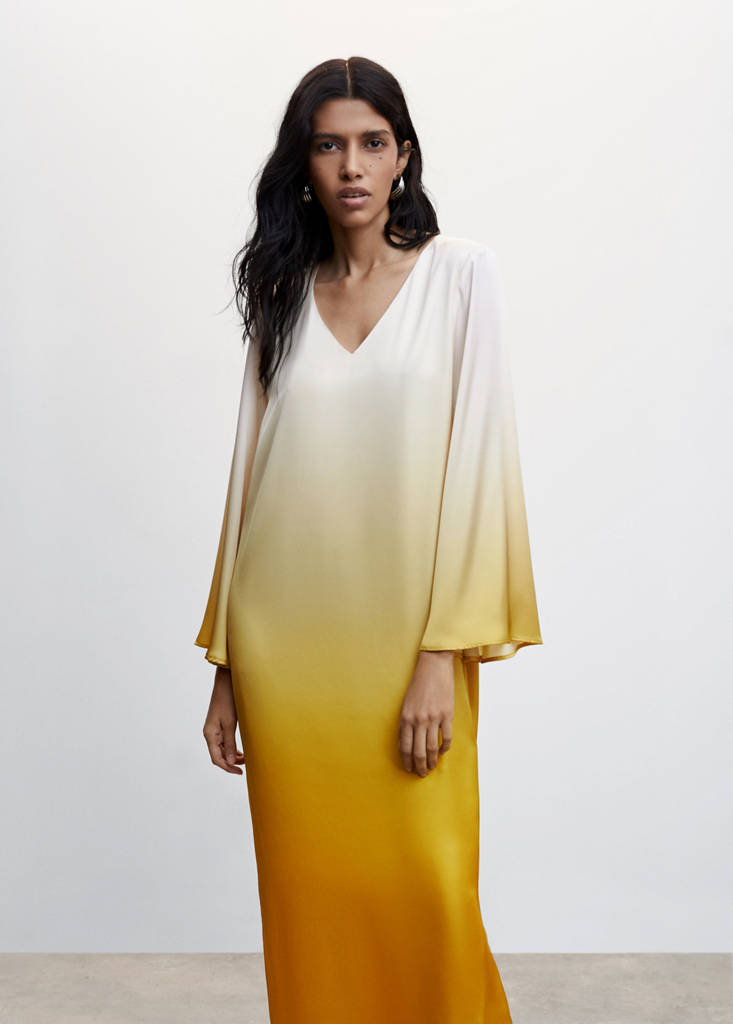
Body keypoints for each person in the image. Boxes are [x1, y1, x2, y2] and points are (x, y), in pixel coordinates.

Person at [195, 55, 542, 1024]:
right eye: (328, 145)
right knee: (312, 903)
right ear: (303, 164)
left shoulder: (461, 274)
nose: (351, 165)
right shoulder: (282, 292)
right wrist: (226, 665)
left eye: (371, 143)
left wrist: (441, 654)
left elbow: (480, 464)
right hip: (286, 657)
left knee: (430, 889)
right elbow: (248, 478)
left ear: (403, 156)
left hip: (407, 647)